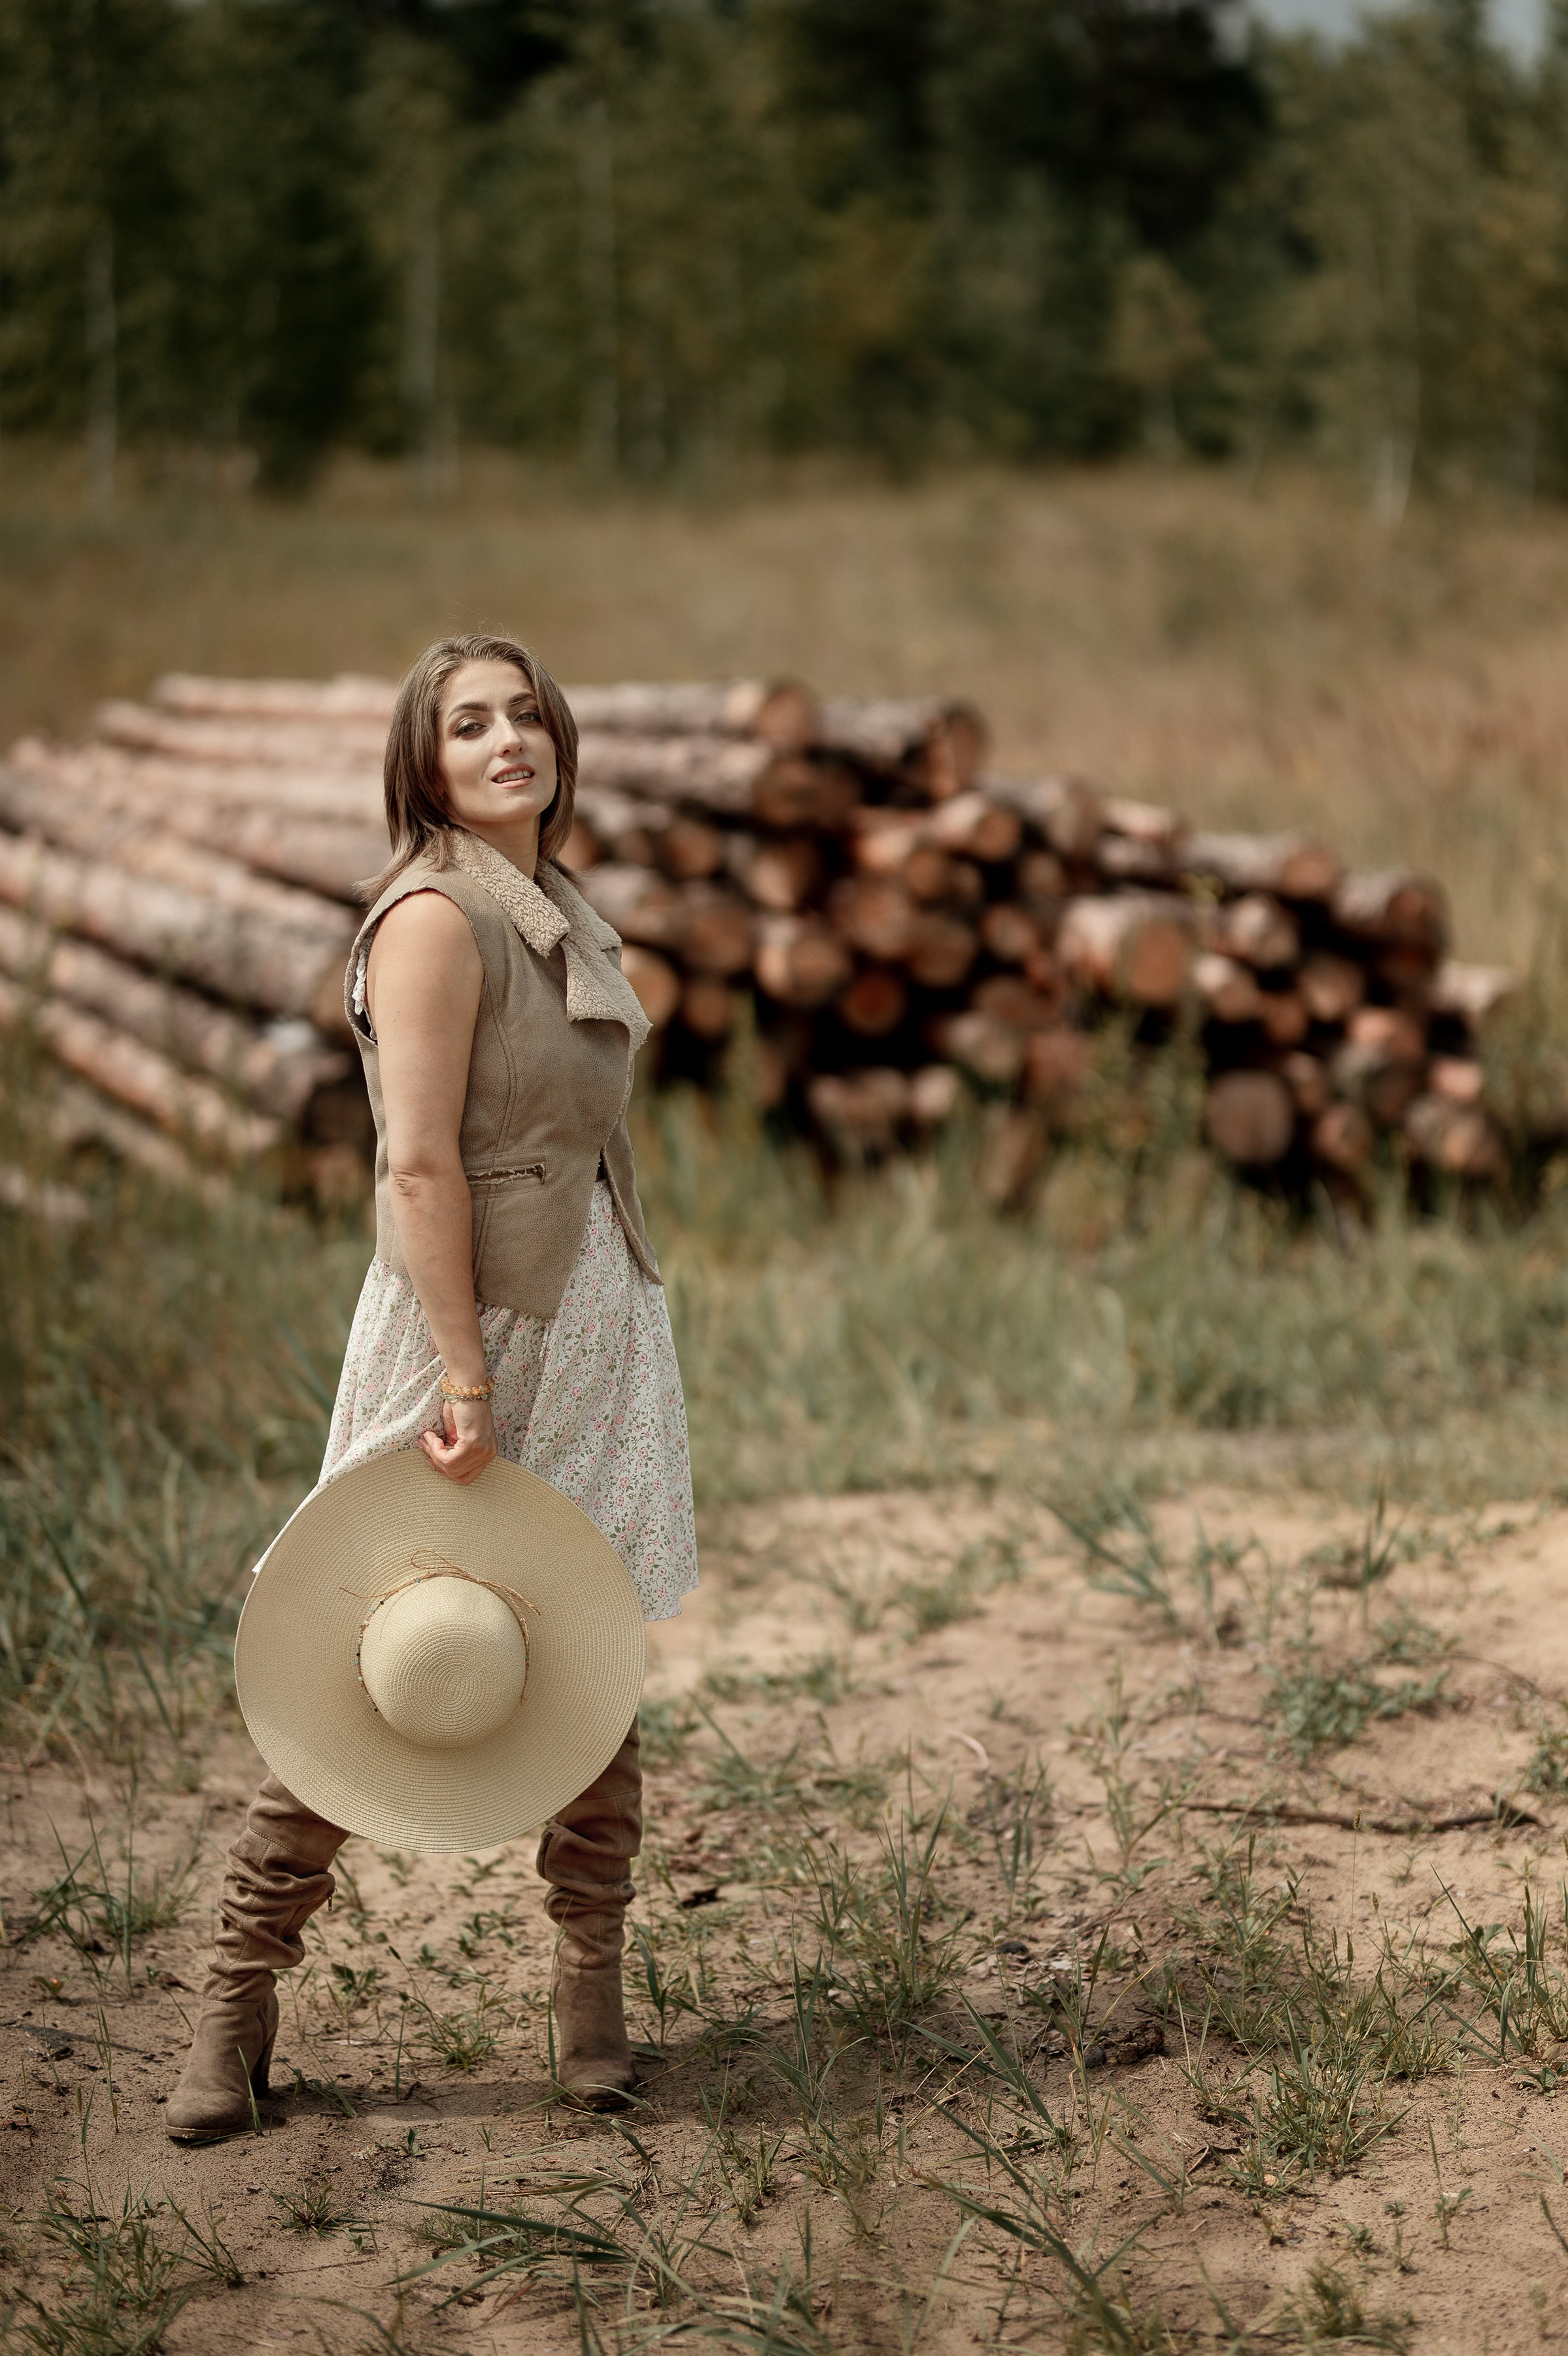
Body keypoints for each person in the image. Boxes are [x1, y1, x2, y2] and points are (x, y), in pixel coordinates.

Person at [165, 633, 697, 2141]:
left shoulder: (558, 905)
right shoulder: (432, 918)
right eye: (470, 724)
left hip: (588, 1308)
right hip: (469, 1318)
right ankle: (232, 1998)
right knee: (369, 1641)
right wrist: (460, 1366)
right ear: (426, 763)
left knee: (575, 1644)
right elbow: (412, 1161)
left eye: (526, 713)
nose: (508, 738)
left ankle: (589, 1990)